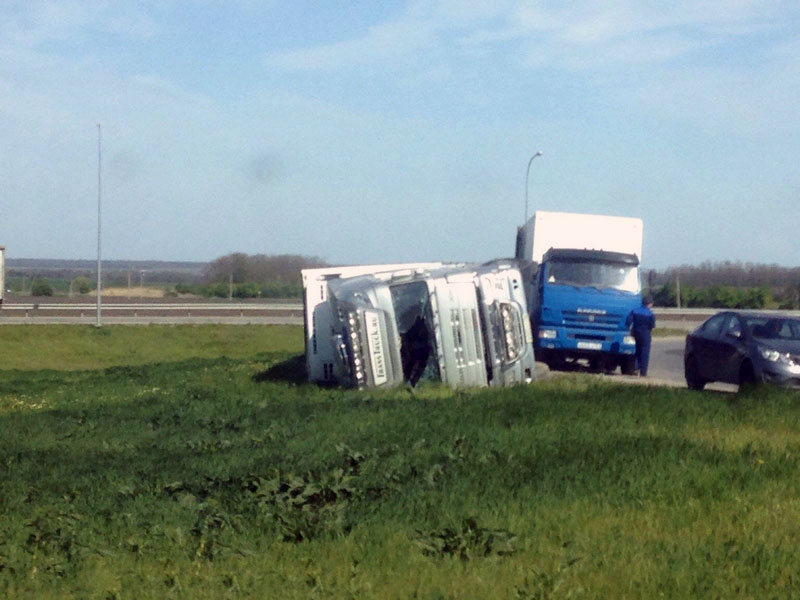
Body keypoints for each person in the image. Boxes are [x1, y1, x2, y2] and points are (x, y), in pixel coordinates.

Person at [626, 295, 656, 376]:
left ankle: (635, 369)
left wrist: (630, 328)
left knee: (637, 351)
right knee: (645, 353)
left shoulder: (634, 311)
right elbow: (652, 326)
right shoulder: (650, 314)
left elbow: (628, 321)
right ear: (649, 304)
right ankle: (643, 372)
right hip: (645, 334)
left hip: (636, 333)